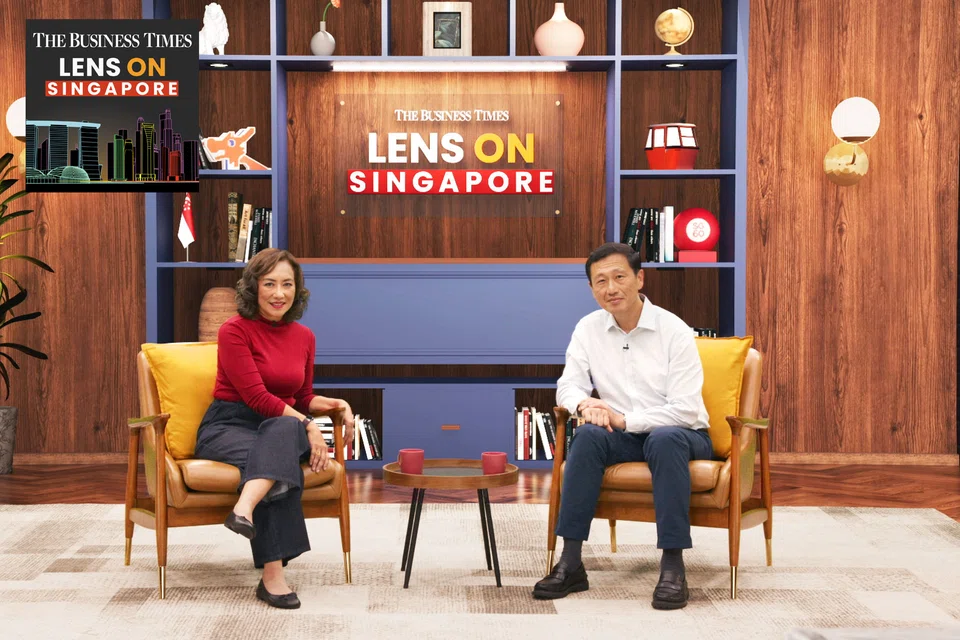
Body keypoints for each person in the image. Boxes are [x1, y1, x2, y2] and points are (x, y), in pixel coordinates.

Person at [532, 242, 713, 610]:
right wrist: (585, 403)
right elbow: (568, 384)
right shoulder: (588, 328)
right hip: (627, 438)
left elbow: (684, 409)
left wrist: (624, 418)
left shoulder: (674, 330)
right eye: (601, 281)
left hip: (684, 436)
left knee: (663, 440)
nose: (611, 288)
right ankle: (571, 562)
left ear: (639, 278)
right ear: (591, 288)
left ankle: (674, 566)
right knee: (586, 436)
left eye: (619, 277)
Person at [194, 248, 355, 610]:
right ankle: (273, 578)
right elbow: (256, 397)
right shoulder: (234, 330)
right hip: (229, 424)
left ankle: (243, 510)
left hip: (279, 425)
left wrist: (336, 405)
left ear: (298, 289)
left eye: (287, 284)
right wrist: (310, 427)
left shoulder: (304, 336)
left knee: (281, 434)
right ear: (254, 287)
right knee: (280, 447)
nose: (279, 293)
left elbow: (301, 397)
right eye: (269, 284)